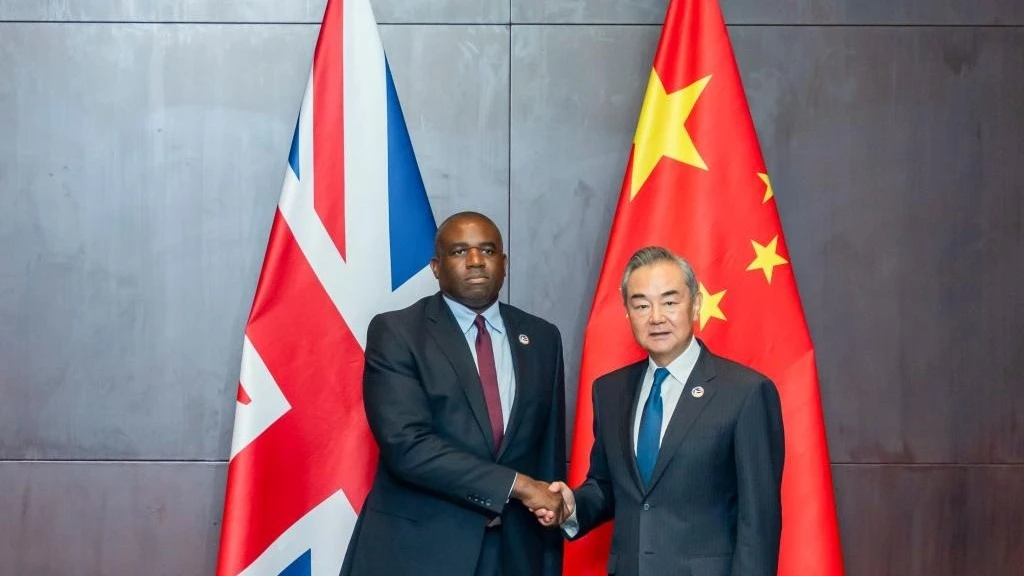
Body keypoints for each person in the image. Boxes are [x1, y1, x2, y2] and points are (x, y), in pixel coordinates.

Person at [341, 212, 566, 576]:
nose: (475, 261)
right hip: (420, 553)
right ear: (436, 266)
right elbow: (408, 447)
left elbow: (549, 454)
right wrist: (520, 486)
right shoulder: (397, 333)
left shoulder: (541, 337)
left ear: (503, 263)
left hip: (515, 553)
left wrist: (549, 539)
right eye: (460, 251)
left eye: (487, 250)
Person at [537, 246, 785, 576]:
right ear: (627, 311)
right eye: (641, 305)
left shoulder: (746, 392)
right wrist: (571, 507)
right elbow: (608, 487)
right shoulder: (610, 391)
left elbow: (759, 522)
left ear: (695, 304)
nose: (656, 317)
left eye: (669, 302)